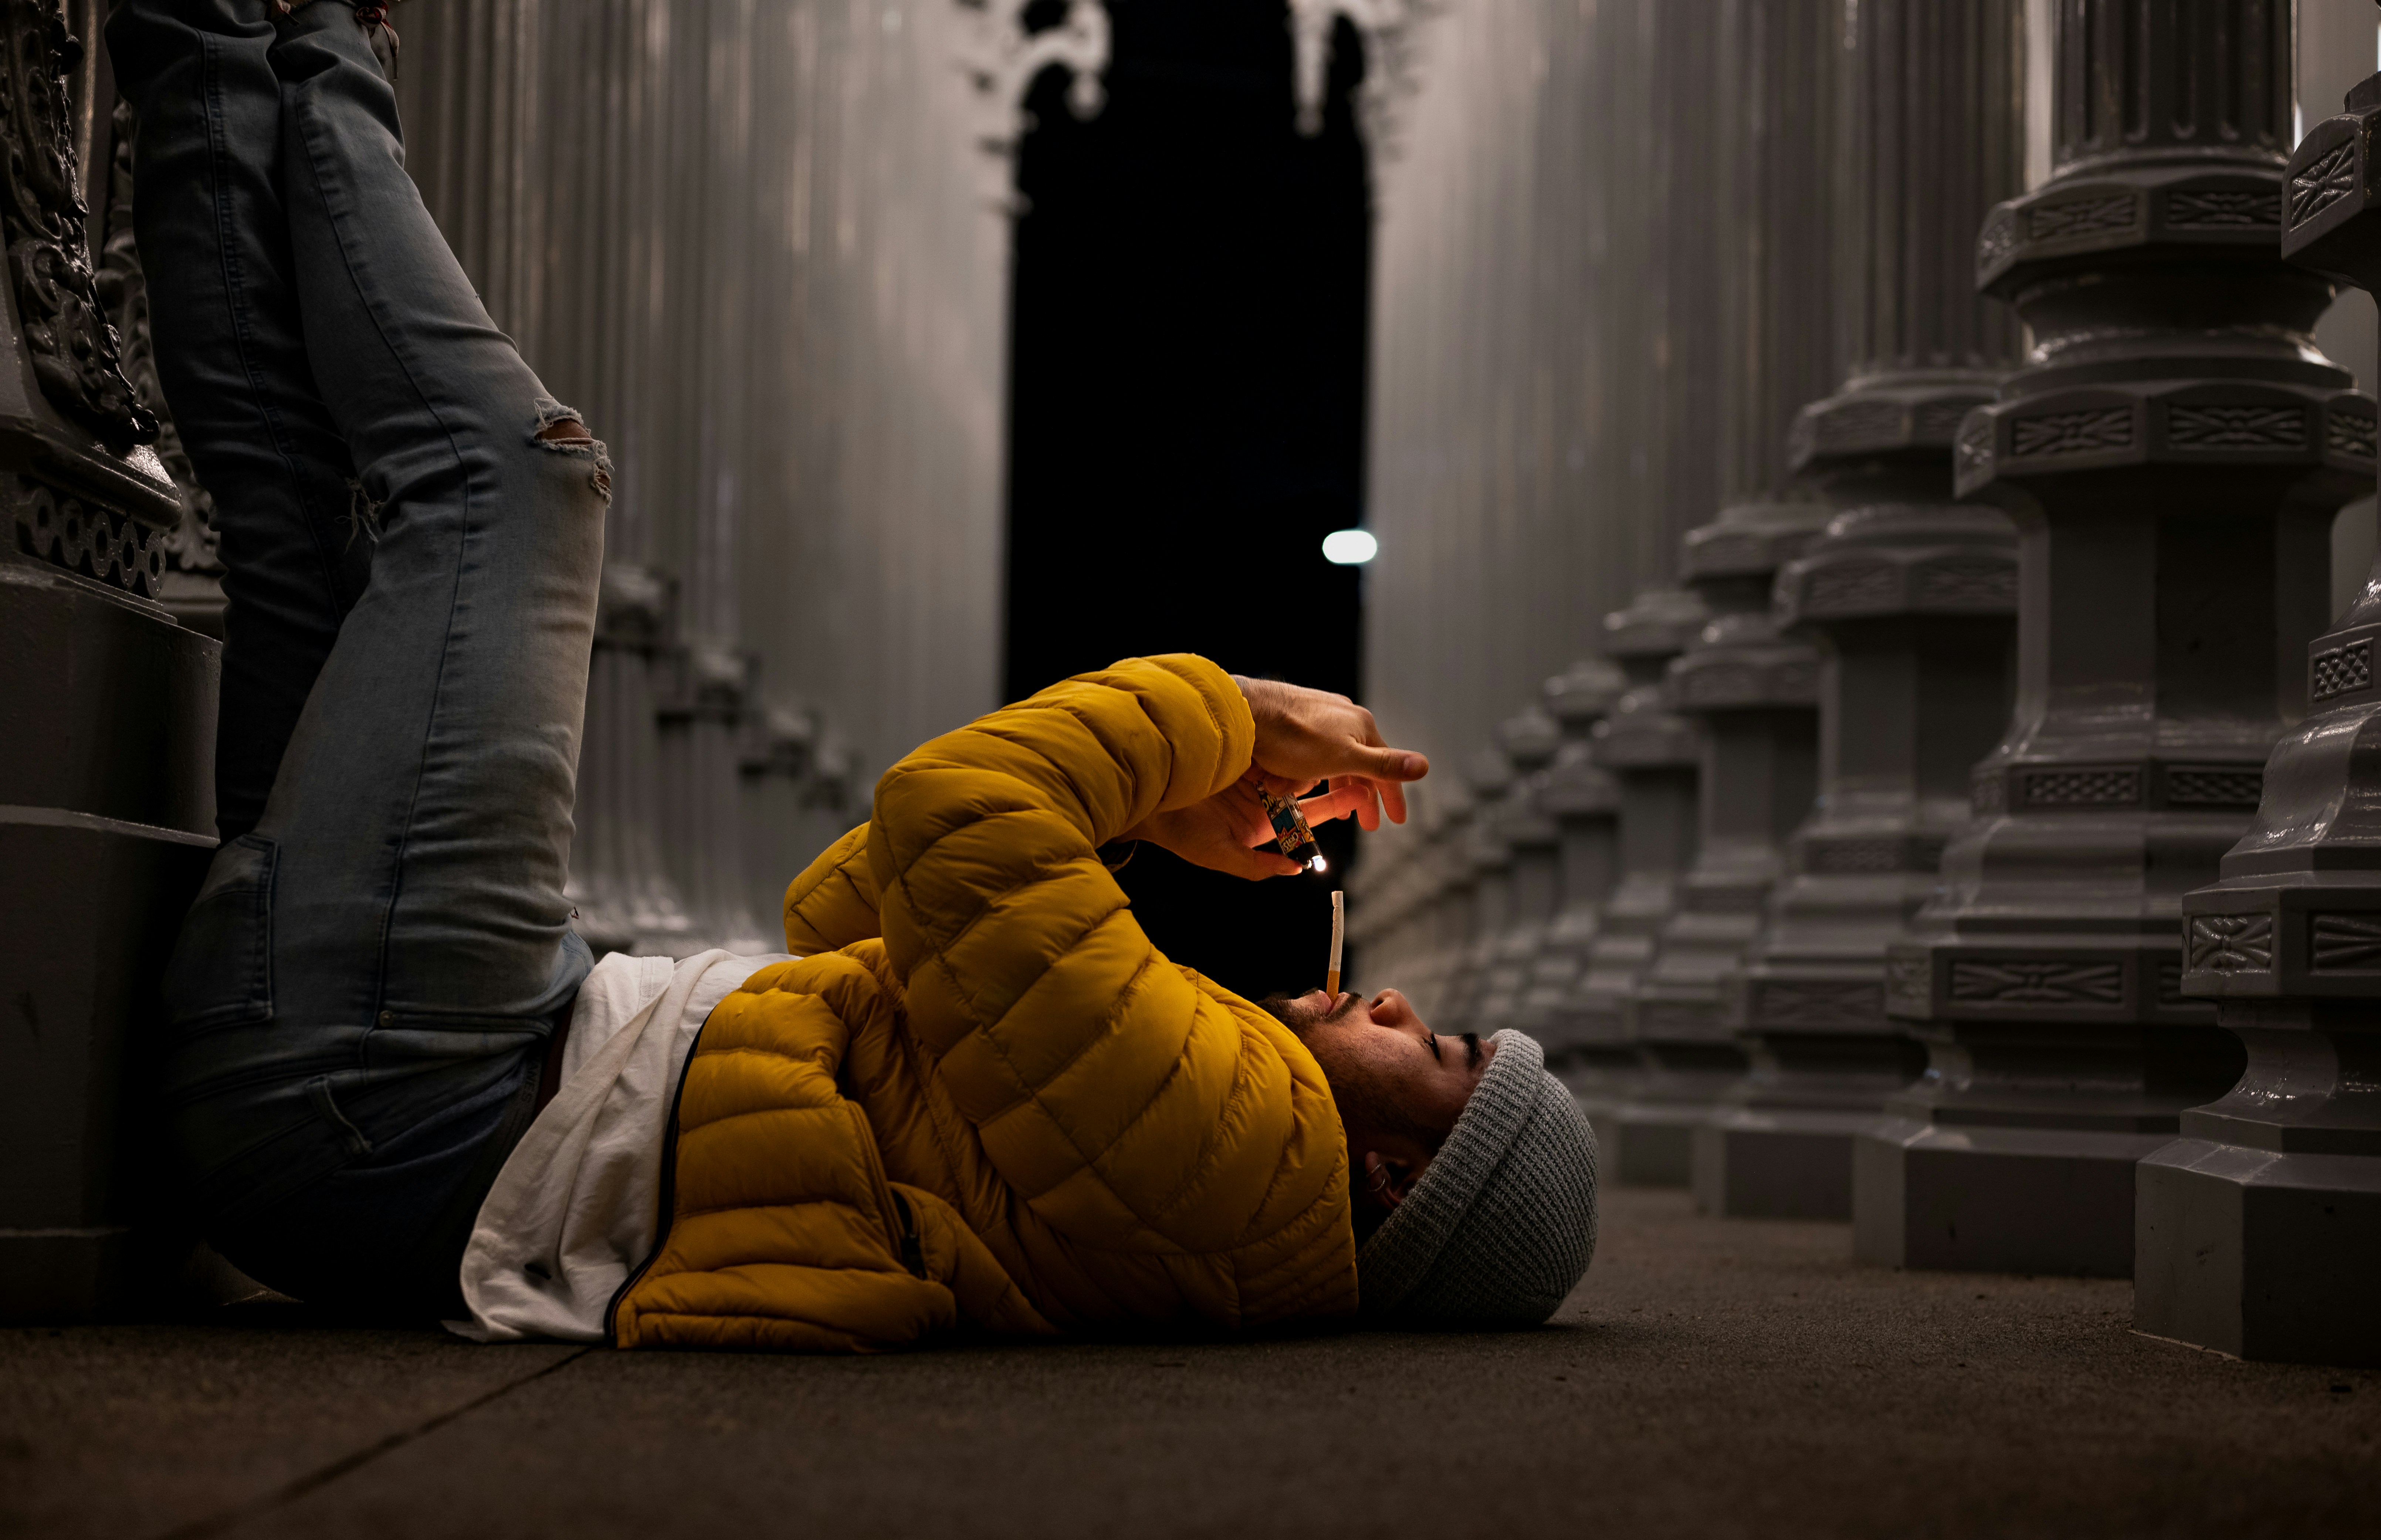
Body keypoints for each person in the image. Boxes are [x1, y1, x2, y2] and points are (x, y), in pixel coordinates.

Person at [125, 1, 1599, 1348]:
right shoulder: (1218, 1184)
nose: (1394, 1007)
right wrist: (1135, 818)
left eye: (1440, 1052)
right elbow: (853, 911)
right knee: (307, 533)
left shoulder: (1252, 1155)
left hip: (433, 1095)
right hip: (396, 1104)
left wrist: (1230, 713)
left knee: (517, 483)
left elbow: (945, 812)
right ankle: (216, 50)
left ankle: (319, 43)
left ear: (1402, 1179)